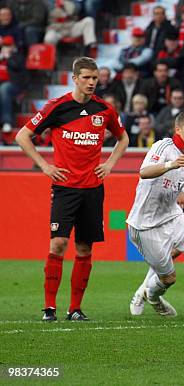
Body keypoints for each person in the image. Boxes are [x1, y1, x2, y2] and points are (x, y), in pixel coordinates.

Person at [15, 57, 129, 321]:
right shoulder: (58, 106)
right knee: (58, 244)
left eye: (95, 79)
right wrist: (44, 165)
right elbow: (23, 135)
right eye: (87, 78)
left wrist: (110, 163)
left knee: (84, 249)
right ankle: (49, 308)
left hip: (92, 188)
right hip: (65, 187)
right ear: (75, 78)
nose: (92, 83)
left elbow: (123, 138)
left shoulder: (104, 109)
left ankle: (75, 308)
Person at [126, 111, 184, 317]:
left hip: (172, 216)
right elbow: (144, 172)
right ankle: (150, 296)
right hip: (145, 225)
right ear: (178, 129)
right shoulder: (163, 146)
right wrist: (171, 164)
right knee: (168, 278)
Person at [0, 35, 27, 134]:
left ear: (13, 46)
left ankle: (7, 122)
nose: (6, 47)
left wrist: (9, 58)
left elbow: (18, 70)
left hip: (14, 85)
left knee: (4, 89)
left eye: (8, 45)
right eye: (5, 45)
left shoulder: (18, 56)